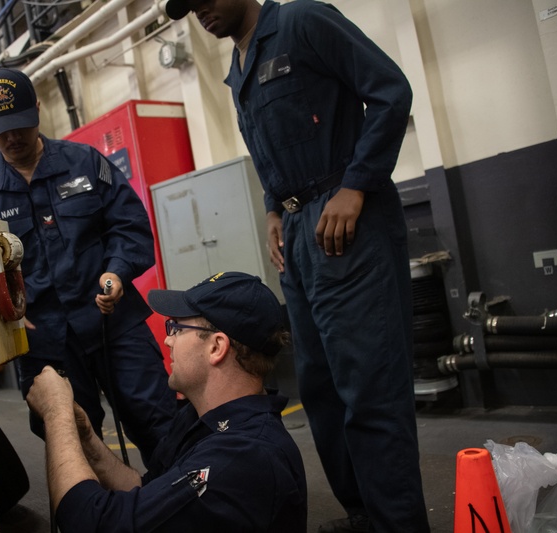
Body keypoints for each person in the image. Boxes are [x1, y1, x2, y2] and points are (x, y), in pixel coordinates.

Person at [163, 1, 429, 532]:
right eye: (191, 6)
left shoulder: (304, 22)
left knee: (370, 392)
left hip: (348, 225)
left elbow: (392, 91)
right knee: (323, 391)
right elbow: (271, 151)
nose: (202, 11)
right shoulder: (237, 70)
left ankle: (399, 525)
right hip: (300, 237)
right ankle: (364, 515)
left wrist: (356, 185)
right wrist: (271, 210)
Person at [0, 67, 175, 467]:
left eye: (21, 125)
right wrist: (0, 313)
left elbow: (129, 226)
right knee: (75, 443)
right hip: (46, 341)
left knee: (158, 421)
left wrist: (116, 271)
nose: (12, 138)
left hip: (113, 321)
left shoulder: (85, 163)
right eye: (1, 130)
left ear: (38, 110)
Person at [26, 271, 307, 532]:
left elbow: (90, 524)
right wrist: (87, 438)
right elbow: (145, 489)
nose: (169, 340)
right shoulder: (201, 419)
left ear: (216, 347)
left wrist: (56, 413)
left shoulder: (243, 457)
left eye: (177, 327)